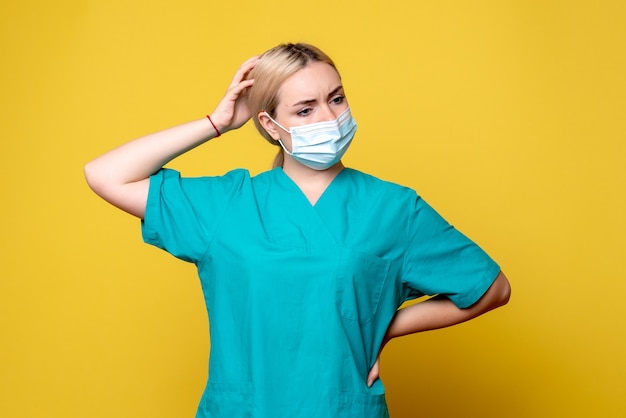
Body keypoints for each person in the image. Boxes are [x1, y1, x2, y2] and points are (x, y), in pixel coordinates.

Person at [84, 43, 511, 418]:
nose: (329, 117)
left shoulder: (393, 209)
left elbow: (492, 289)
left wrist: (384, 328)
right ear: (270, 125)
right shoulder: (228, 205)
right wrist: (217, 123)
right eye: (305, 109)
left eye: (337, 99)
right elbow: (106, 175)